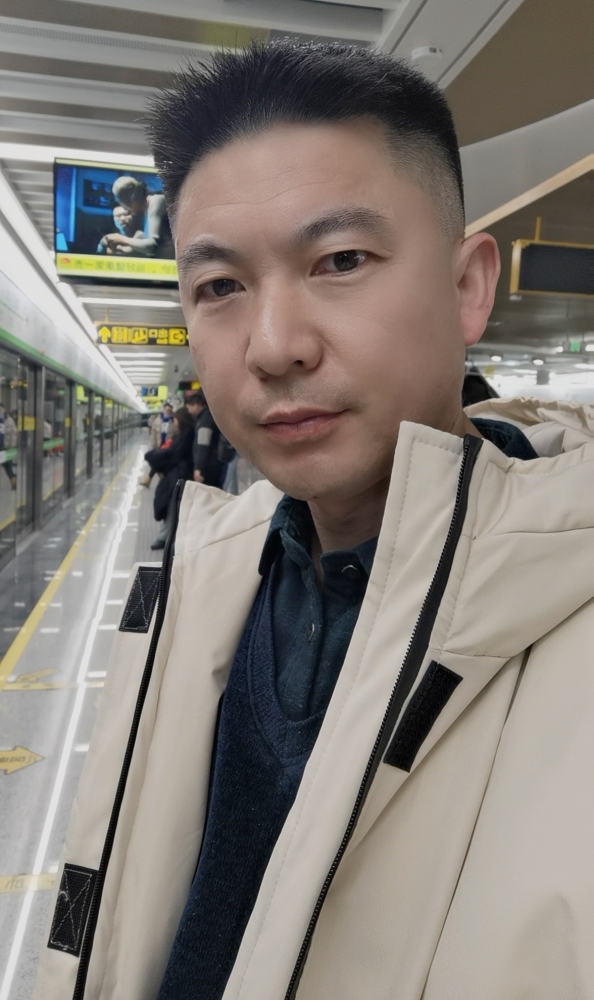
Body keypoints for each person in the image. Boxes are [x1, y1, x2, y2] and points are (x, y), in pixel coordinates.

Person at [36, 43, 594, 1000]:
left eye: (340, 261)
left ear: (468, 286)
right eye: (220, 286)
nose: (273, 346)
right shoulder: (203, 581)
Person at [144, 406, 195, 550]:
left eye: (175, 419)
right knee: (172, 503)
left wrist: (158, 458)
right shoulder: (183, 433)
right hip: (177, 472)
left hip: (180, 474)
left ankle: (164, 537)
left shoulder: (186, 434)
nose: (174, 421)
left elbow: (175, 454)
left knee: (170, 502)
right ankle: (168, 536)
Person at [102, 175, 175, 258]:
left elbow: (152, 246)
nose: (126, 209)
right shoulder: (145, 210)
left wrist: (122, 239)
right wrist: (128, 248)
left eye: (124, 204)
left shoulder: (156, 202)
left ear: (132, 198)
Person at [186, 389, 226, 487]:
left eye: (189, 407)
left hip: (208, 465)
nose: (188, 411)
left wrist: (198, 467)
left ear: (196, 405)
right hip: (211, 463)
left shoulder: (205, 420)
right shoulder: (205, 417)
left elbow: (203, 444)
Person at [0, 402, 16, 488]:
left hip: (5, 446)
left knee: (7, 465)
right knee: (7, 465)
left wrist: (11, 446)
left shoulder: (9, 420)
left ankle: (13, 481)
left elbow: (13, 434)